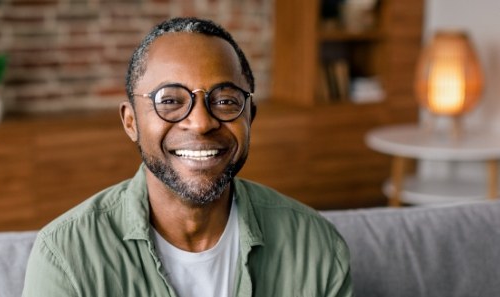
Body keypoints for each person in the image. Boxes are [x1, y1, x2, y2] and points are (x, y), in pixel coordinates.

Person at [22, 17, 353, 297]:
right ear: (131, 121)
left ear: (250, 116)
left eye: (225, 100)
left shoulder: (317, 247)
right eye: (170, 101)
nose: (201, 122)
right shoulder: (66, 255)